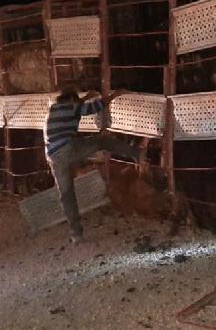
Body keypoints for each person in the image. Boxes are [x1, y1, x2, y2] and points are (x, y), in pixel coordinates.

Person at [44, 85, 145, 243]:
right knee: (102, 141)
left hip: (53, 157)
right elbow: (94, 107)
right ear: (71, 99)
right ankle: (138, 154)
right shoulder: (71, 107)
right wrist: (115, 94)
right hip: (67, 150)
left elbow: (76, 108)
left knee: (66, 195)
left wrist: (85, 97)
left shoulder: (55, 108)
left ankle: (76, 234)